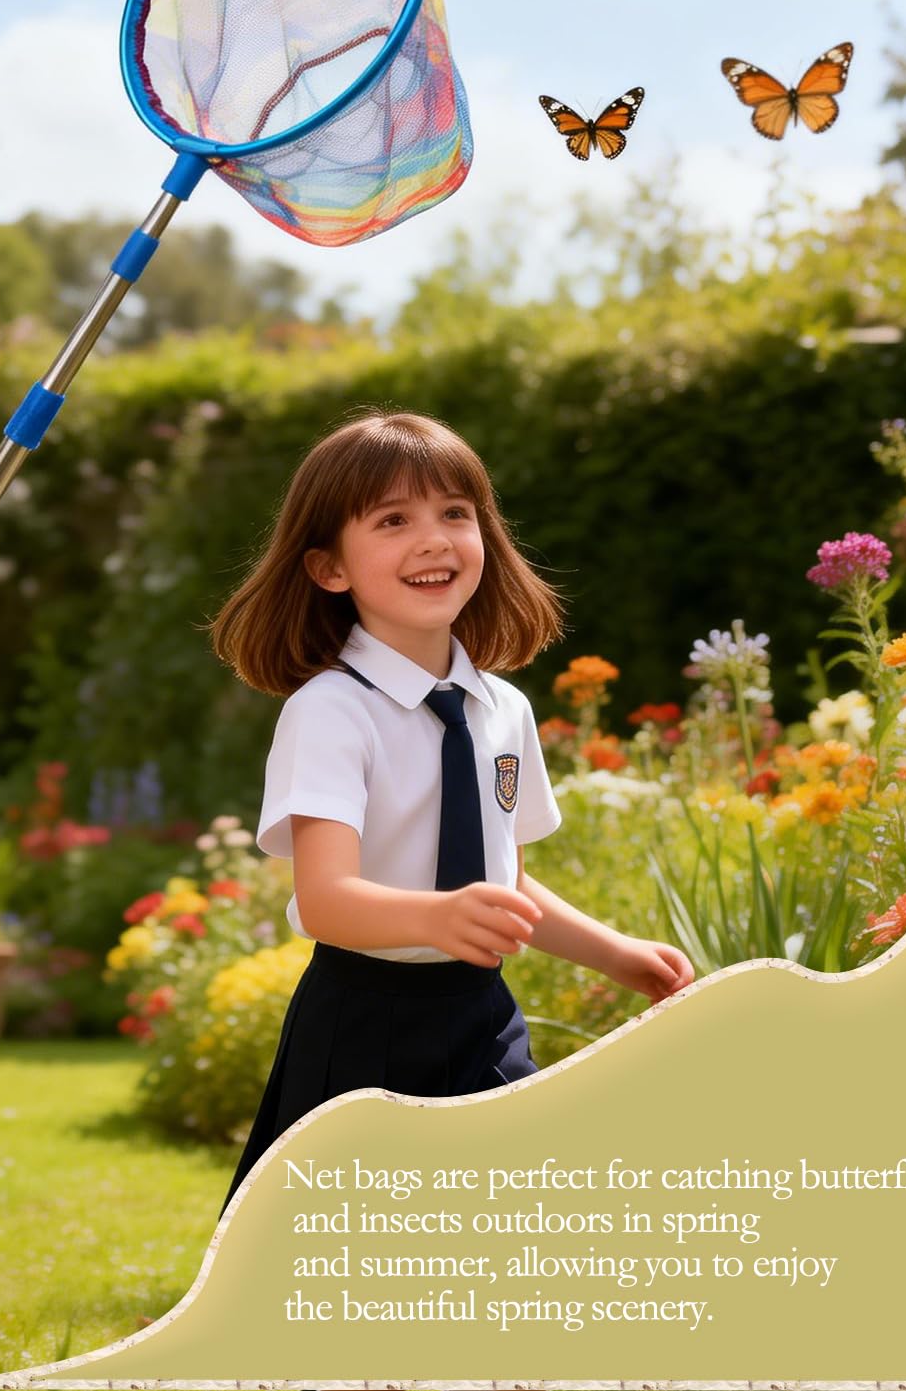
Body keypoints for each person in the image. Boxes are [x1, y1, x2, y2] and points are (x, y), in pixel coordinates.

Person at [210, 410, 694, 1212]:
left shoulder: (502, 708)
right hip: (362, 1025)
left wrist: (617, 954)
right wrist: (437, 918)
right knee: (329, 1269)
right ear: (329, 567)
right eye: (393, 520)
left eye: (453, 514)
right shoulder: (330, 711)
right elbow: (325, 900)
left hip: (482, 1017)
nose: (432, 539)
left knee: (501, 1238)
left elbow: (504, 890)